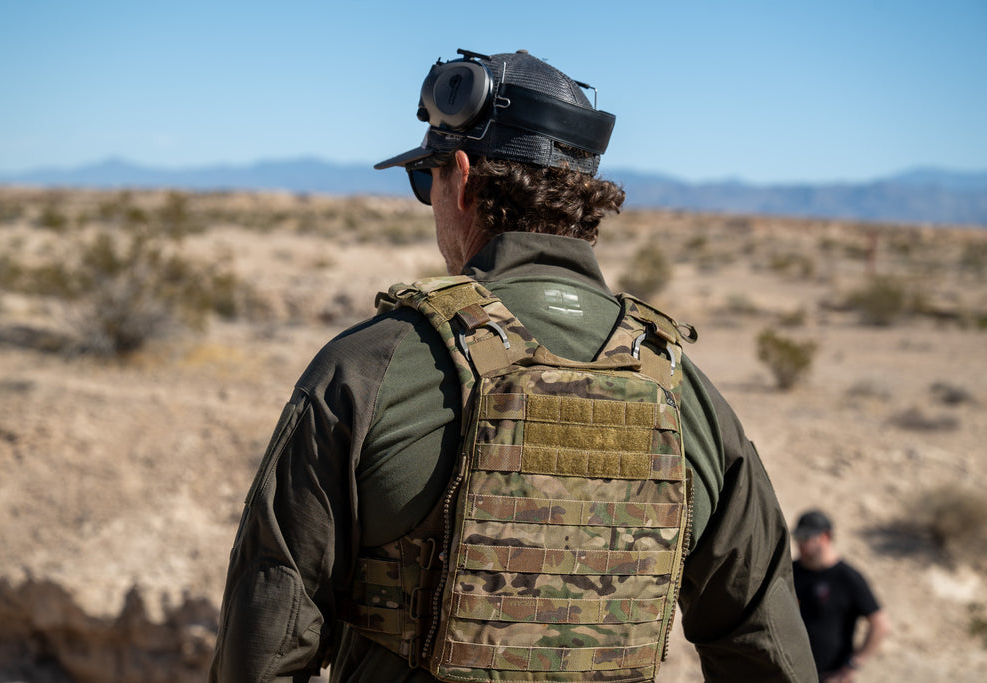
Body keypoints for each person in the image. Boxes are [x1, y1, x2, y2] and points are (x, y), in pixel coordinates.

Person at [210, 49, 817, 683]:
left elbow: (268, 638)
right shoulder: (686, 393)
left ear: (463, 177)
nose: (432, 200)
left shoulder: (367, 369)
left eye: (427, 179)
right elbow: (766, 644)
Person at [792, 510, 890, 682]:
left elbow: (880, 624)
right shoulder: (790, 571)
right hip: (789, 673)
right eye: (798, 538)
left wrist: (852, 666)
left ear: (825, 537)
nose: (801, 544)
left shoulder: (847, 578)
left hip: (829, 676)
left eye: (806, 538)